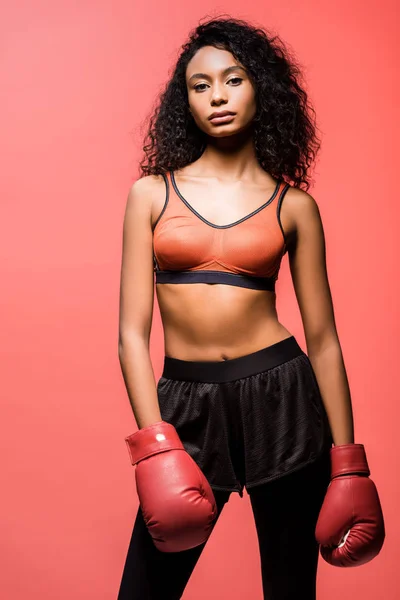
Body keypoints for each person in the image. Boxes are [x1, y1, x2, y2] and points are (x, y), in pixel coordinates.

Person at [116, 16, 385, 600]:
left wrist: (349, 461)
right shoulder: (151, 194)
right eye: (200, 84)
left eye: (233, 80)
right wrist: (155, 444)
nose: (217, 95)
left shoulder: (295, 206)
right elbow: (131, 336)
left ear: (261, 88)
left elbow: (325, 340)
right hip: (185, 406)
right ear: (183, 101)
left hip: (284, 396)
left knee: (290, 590)